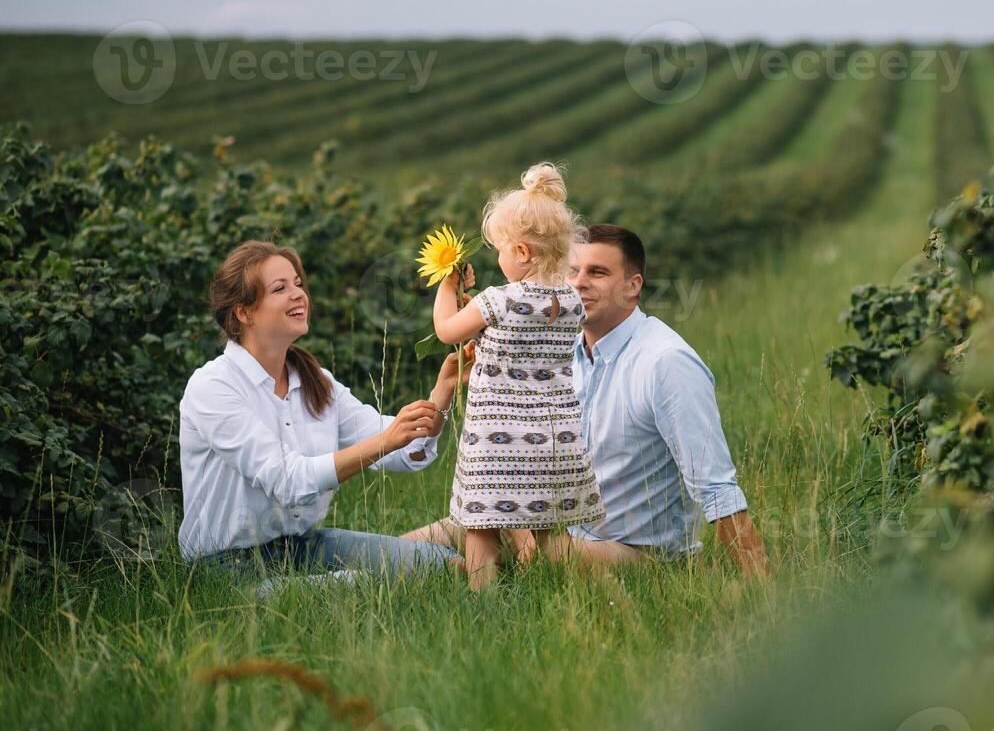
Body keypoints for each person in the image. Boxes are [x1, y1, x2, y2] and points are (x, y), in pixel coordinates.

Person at [407, 224, 769, 576]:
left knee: (525, 554)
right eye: (571, 270)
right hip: (554, 528)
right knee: (454, 527)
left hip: (636, 553)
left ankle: (450, 578)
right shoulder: (556, 350)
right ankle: (357, 570)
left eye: (597, 272)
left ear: (633, 287)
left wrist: (762, 592)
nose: (579, 282)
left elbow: (716, 486)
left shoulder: (664, 361)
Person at [178, 240, 467, 588]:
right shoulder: (213, 386)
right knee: (368, 585)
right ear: (244, 312)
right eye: (279, 288)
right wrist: (385, 440)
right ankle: (437, 537)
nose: (298, 294)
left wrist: (442, 391)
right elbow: (288, 480)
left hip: (302, 547)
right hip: (226, 566)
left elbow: (404, 452)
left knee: (451, 569)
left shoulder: (316, 381)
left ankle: (444, 537)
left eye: (298, 283)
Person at [430, 163, 605, 589]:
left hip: (498, 444)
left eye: (501, 250)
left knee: (481, 529)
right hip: (553, 440)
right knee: (552, 537)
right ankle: (596, 597)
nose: (498, 258)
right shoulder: (570, 301)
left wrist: (447, 289)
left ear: (522, 253)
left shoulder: (497, 300)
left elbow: (446, 330)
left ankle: (483, 608)